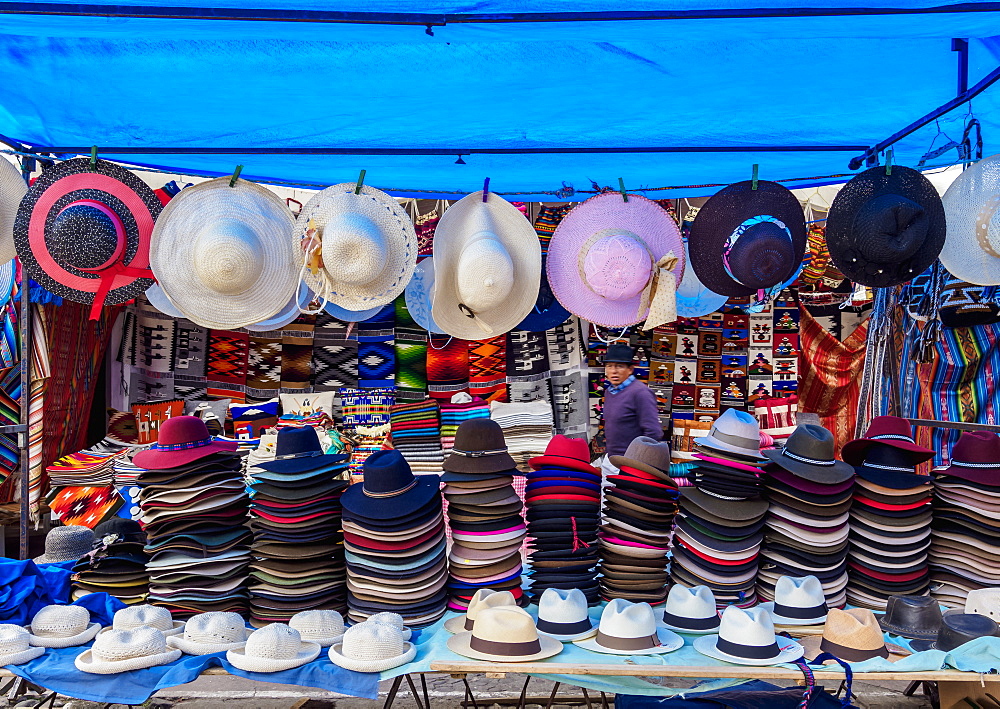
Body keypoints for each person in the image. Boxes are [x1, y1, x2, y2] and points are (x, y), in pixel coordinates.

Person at [599, 343, 663, 476]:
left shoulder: (640, 393)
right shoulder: (610, 392)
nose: (613, 371)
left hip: (631, 464)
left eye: (619, 366)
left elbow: (653, 432)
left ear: (630, 369)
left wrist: (638, 464)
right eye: (609, 366)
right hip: (611, 460)